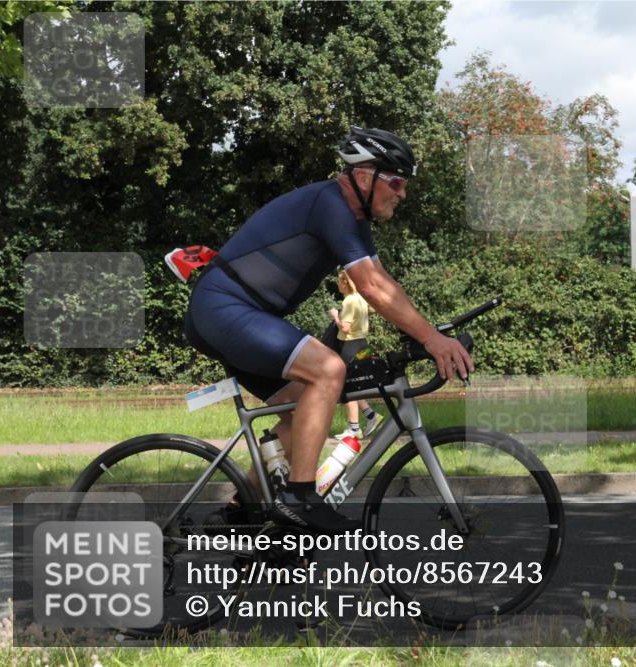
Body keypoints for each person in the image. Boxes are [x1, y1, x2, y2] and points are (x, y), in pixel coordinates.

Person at [183, 127, 474, 534]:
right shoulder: (331, 205)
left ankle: (240, 512)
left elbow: (383, 283)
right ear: (363, 176)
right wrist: (431, 338)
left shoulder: (353, 220)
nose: (402, 193)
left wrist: (430, 332)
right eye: (396, 182)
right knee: (328, 370)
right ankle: (300, 498)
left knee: (306, 400)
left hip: (240, 313)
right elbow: (370, 288)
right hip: (224, 306)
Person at [329, 269, 382, 439]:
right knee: (355, 383)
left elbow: (345, 327)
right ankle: (371, 416)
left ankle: (353, 428)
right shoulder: (360, 298)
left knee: (347, 386)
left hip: (351, 345)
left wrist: (335, 316)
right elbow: (373, 309)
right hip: (363, 345)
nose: (338, 284)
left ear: (345, 283)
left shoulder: (349, 301)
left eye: (339, 281)